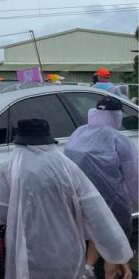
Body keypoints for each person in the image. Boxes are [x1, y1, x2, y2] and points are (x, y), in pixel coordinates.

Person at [0, 118, 133, 279]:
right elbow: (97, 213)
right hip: (67, 254)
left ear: (20, 142)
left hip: (27, 254)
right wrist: (118, 255)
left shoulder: (9, 169)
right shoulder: (67, 168)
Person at [65, 97, 138, 279]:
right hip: (113, 202)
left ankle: (88, 269)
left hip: (81, 197)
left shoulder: (79, 133)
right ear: (117, 116)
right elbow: (133, 176)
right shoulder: (119, 139)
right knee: (114, 241)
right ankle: (110, 274)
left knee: (96, 232)